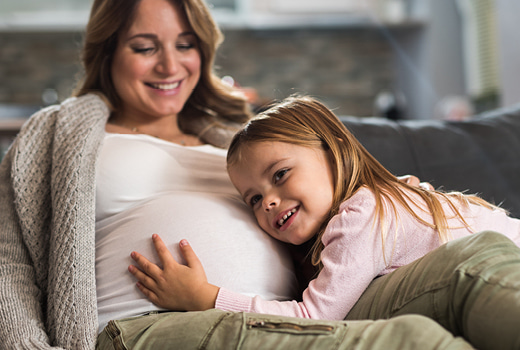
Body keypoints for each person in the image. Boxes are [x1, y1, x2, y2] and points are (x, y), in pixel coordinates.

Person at [0, 0, 475, 349]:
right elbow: (9, 263)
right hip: (148, 323)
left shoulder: (237, 140)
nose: (170, 65)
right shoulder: (58, 135)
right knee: (415, 341)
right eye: (145, 47)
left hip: (291, 317)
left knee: (467, 287)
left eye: (185, 45)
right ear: (108, 54)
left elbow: (342, 226)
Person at [129, 96, 520, 350]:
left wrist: (208, 298)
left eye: (280, 174)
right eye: (252, 198)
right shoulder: (372, 210)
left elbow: (314, 319)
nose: (267, 200)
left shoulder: (363, 214)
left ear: (333, 153)